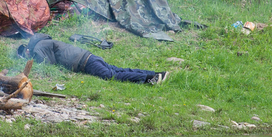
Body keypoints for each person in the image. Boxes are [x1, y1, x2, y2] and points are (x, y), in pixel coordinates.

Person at [17, 33, 168, 84]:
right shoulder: (44, 42)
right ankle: (157, 74)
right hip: (88, 56)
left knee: (111, 76)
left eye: (26, 56)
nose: (28, 58)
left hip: (85, 62)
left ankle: (149, 79)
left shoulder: (38, 48)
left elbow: (46, 64)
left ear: (28, 50)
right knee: (118, 69)